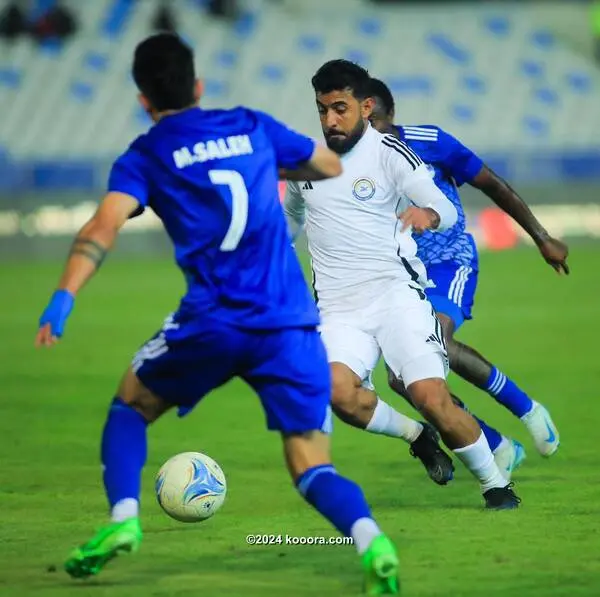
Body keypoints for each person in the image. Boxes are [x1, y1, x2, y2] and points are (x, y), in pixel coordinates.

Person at [35, 34, 400, 595]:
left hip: (213, 321)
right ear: (198, 86)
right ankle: (370, 539)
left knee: (130, 406)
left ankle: (123, 519)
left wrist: (65, 296)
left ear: (142, 99)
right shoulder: (250, 126)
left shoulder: (146, 154)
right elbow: (325, 163)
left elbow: (102, 226)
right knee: (312, 466)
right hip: (288, 325)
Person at [283, 59, 520, 511]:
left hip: (397, 298)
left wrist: (426, 214)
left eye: (339, 109)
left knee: (431, 397)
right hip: (338, 310)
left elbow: (445, 209)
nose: (330, 120)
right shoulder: (306, 163)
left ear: (365, 106)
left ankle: (496, 486)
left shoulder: (391, 154)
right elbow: (290, 218)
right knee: (336, 394)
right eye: (322, 110)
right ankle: (416, 436)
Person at [368, 77, 567, 463]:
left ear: (389, 115)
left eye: (376, 122)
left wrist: (541, 236)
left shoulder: (430, 141)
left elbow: (491, 183)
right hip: (399, 276)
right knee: (399, 377)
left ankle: (527, 408)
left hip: (448, 260)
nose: (371, 133)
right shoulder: (350, 164)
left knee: (435, 337)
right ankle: (495, 444)